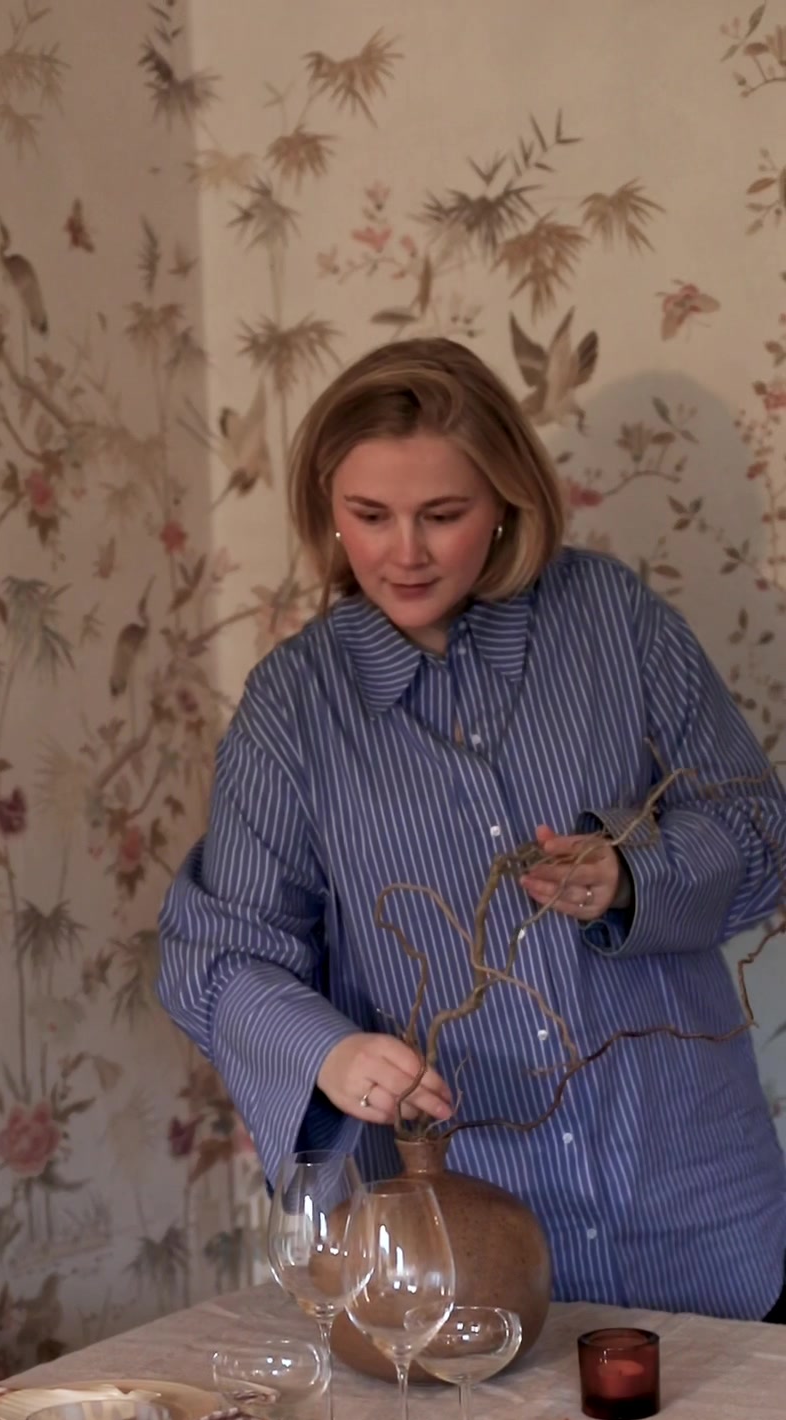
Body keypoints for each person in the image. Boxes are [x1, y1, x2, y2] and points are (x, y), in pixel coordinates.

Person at [156, 338, 786, 1319]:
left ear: (505, 501)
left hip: (695, 1212)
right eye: (370, 515)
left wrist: (632, 876)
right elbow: (218, 954)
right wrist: (329, 1054)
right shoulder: (293, 708)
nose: (403, 552)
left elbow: (758, 830)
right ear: (327, 507)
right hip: (458, 1258)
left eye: (442, 515)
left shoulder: (614, 621)